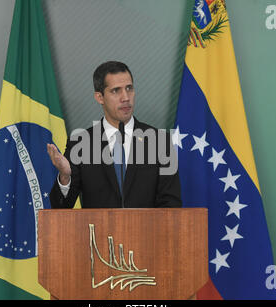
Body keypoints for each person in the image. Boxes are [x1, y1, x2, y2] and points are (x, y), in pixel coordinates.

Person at [47, 61, 181, 208]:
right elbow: (61, 207)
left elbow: (172, 205)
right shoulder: (81, 143)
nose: (126, 97)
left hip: (146, 230)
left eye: (129, 88)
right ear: (100, 97)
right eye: (116, 91)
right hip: (98, 231)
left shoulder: (159, 142)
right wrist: (65, 177)